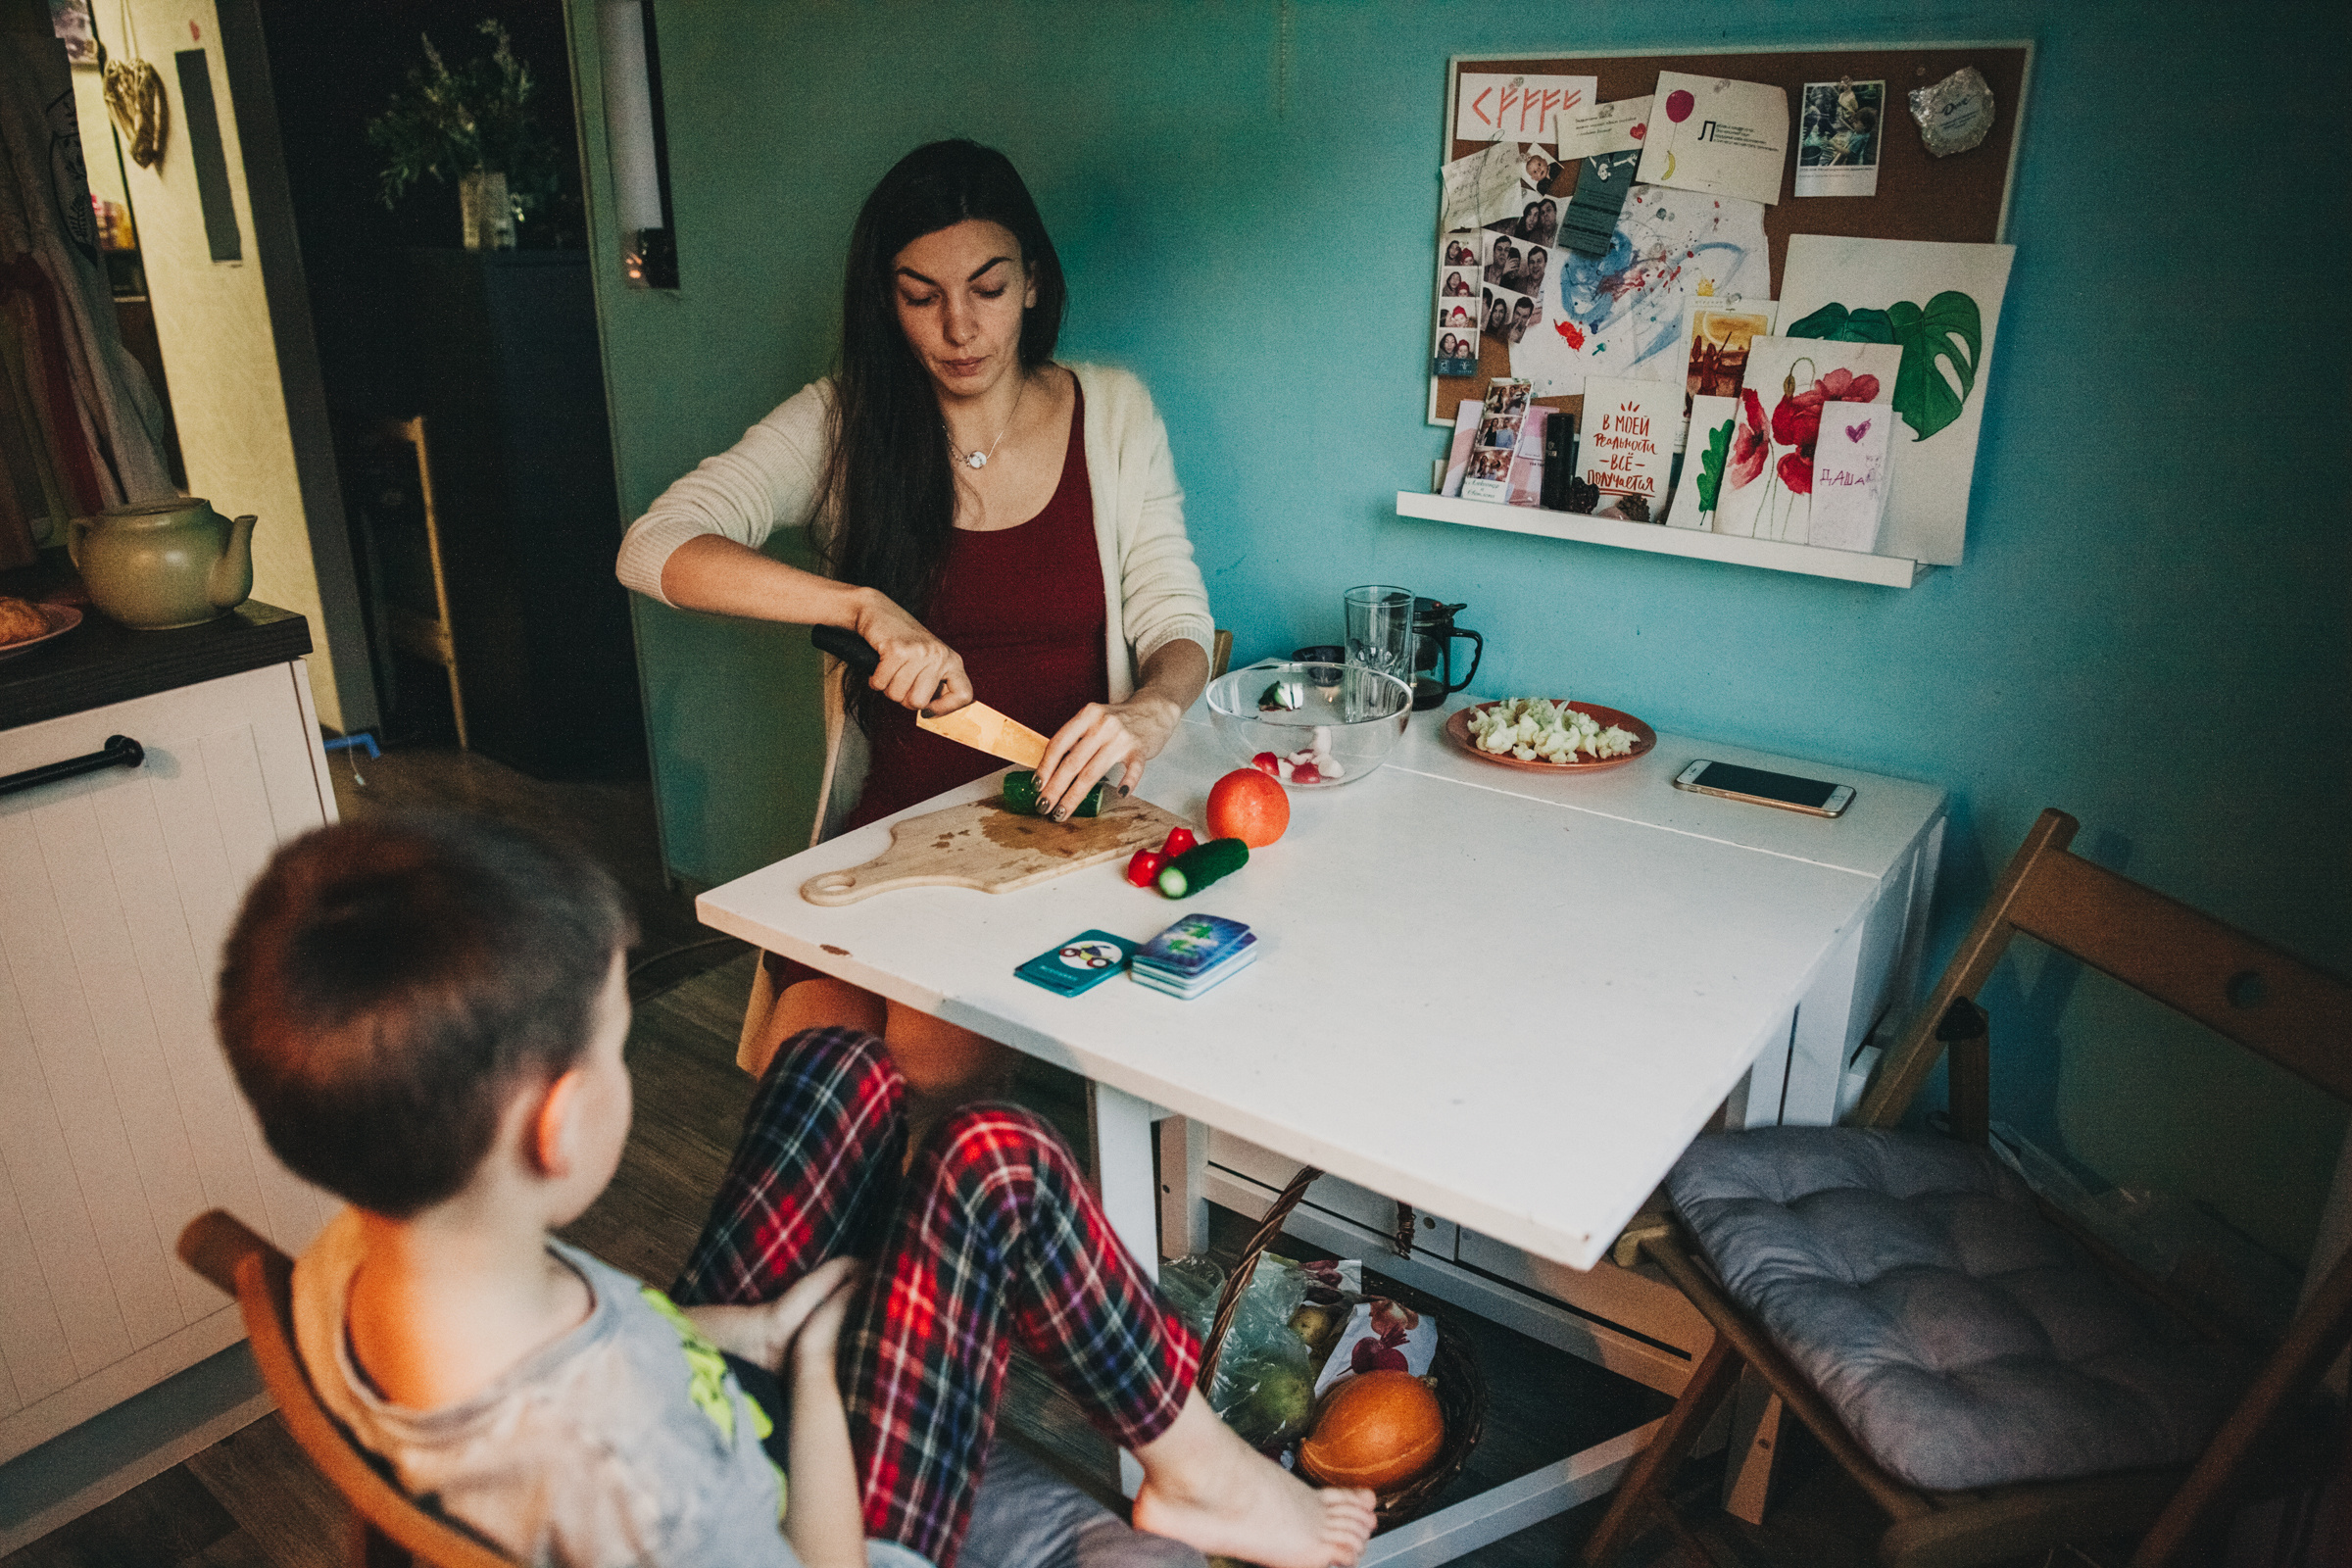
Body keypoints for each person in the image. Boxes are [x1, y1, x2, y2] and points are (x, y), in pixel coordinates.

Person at [219, 813, 1380, 1568]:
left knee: (834, 1063)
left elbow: (619, 1336)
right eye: (616, 1049)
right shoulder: (635, 1468)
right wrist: (817, 1374)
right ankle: (1207, 1474)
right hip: (835, 1526)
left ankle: (1154, 1438)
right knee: (999, 1158)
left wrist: (757, 1325)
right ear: (560, 1128)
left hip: (705, 1393)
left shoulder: (355, 1256)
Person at [613, 140, 1213, 1104]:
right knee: (803, 1071)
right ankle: (881, 1251)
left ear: (1033, 285)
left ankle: (917, 1239)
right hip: (894, 835)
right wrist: (859, 605)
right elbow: (652, 546)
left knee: (921, 1058)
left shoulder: (1115, 413)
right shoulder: (842, 422)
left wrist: (1150, 710)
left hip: (1054, 835)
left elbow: (1178, 623)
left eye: (987, 287)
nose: (959, 327)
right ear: (883, 302)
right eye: (920, 294)